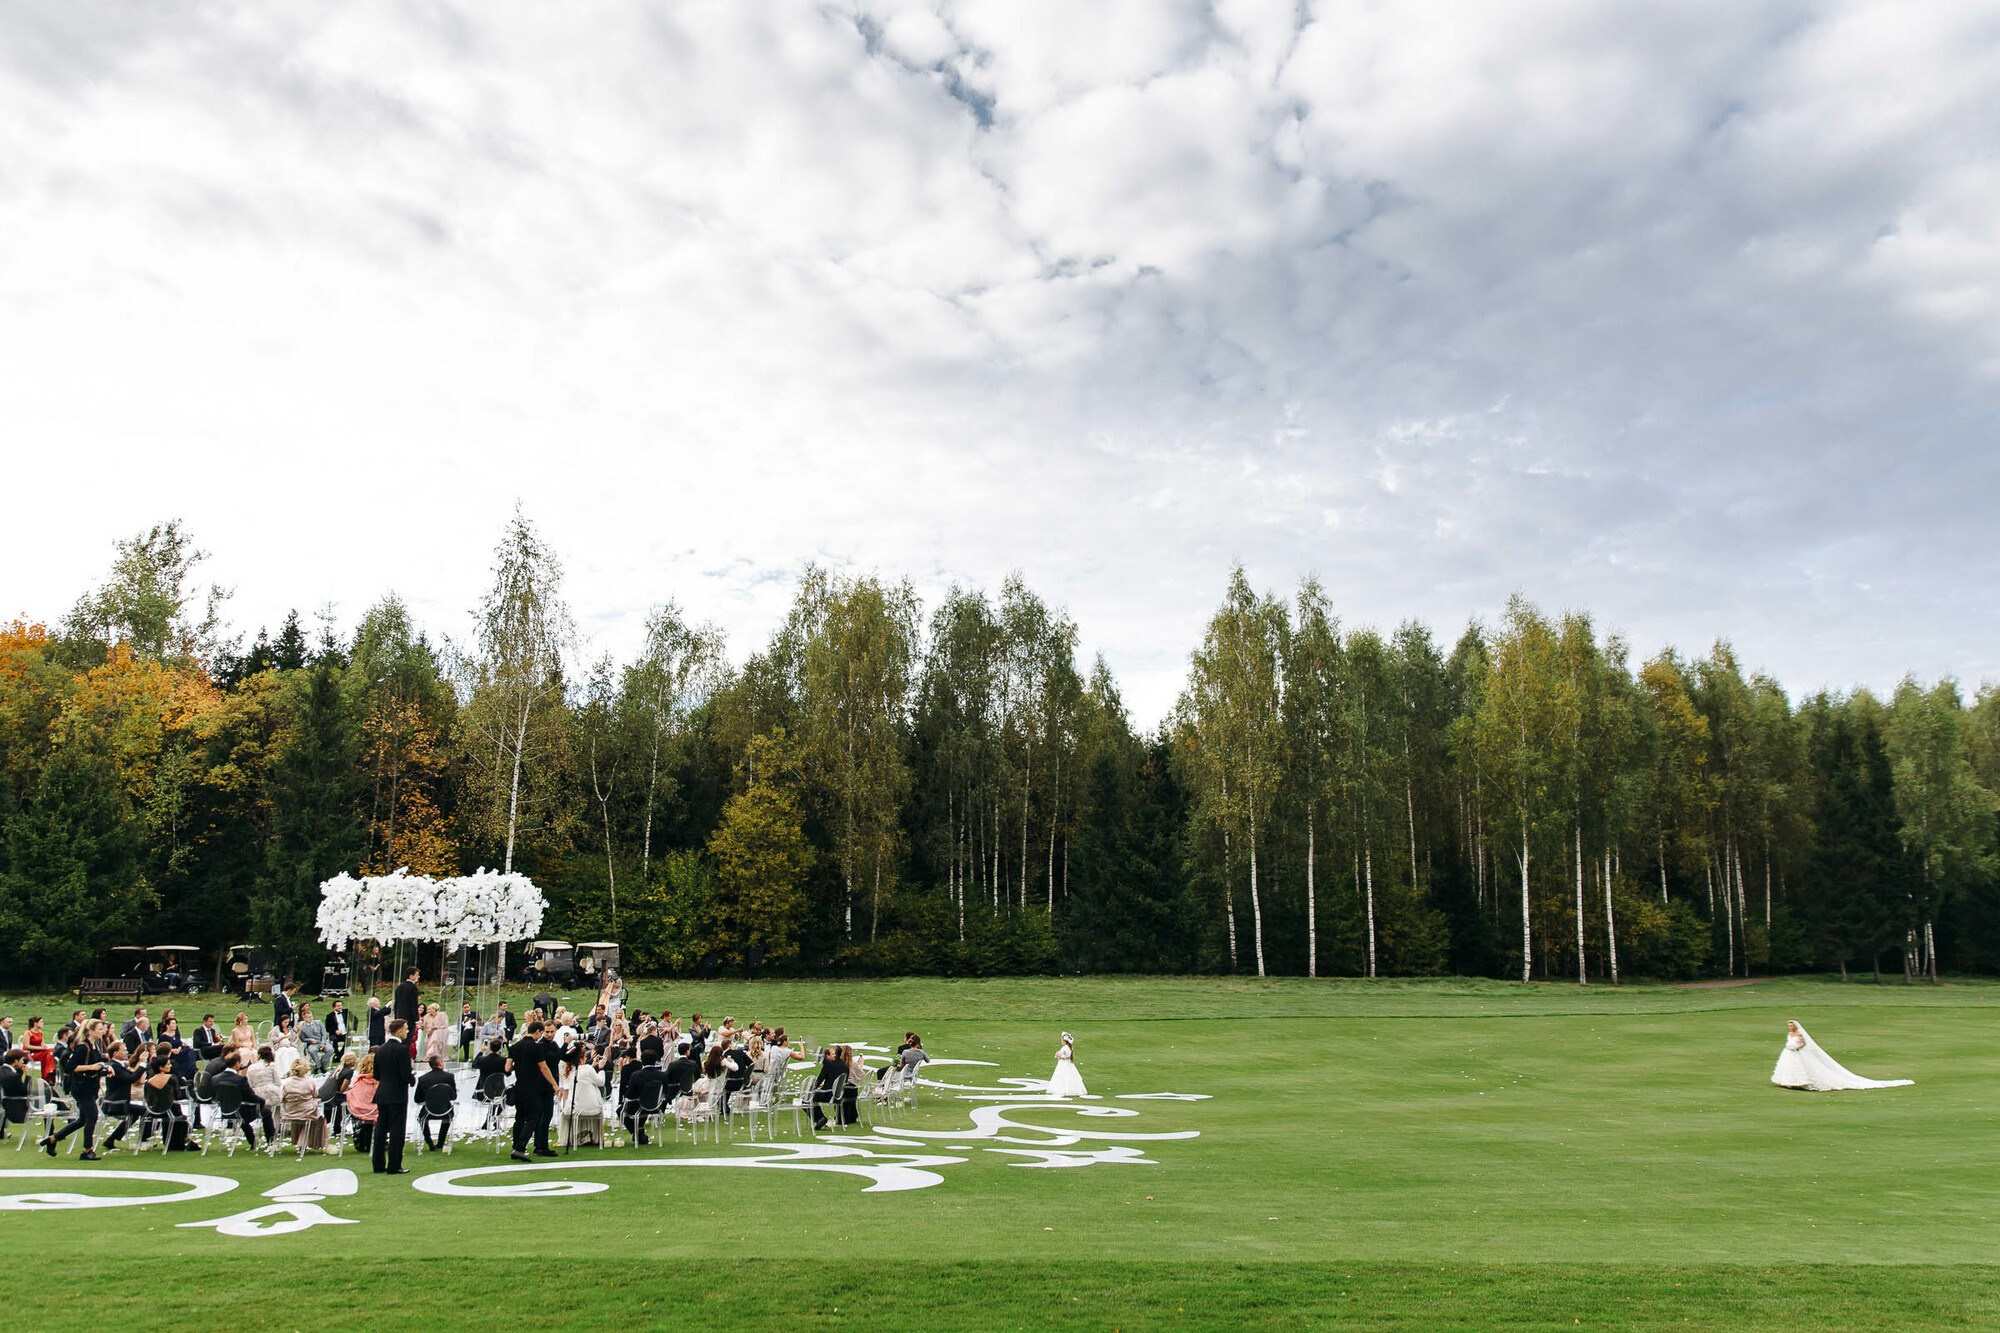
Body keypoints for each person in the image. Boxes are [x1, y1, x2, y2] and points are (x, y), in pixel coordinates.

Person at [1772, 1019, 1914, 1091]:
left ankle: (1797, 1082)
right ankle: (1787, 1082)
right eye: (1788, 1025)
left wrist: (1796, 1047)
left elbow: (1803, 1043)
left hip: (1796, 1052)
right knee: (1788, 1067)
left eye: (1791, 1025)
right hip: (1788, 1053)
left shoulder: (1799, 1034)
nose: (1789, 1027)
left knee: (1800, 1068)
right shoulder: (1790, 1033)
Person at [45, 1025, 108, 1159]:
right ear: (90, 1031)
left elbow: (95, 1065)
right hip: (81, 1087)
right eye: (100, 1029)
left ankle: (53, 1139)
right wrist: (92, 1067)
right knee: (92, 1116)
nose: (103, 1031)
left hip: (91, 1086)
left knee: (82, 1119)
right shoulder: (83, 1047)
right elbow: (70, 1067)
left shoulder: (95, 1046)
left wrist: (105, 1069)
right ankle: (87, 1150)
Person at [509, 1020, 560, 1161]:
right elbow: (544, 1068)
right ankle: (520, 1147)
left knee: (519, 1118)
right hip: (532, 1088)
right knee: (534, 1117)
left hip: (519, 1086)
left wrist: (519, 1066)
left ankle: (516, 1145)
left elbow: (507, 1068)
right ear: (537, 1032)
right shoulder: (536, 1047)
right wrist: (555, 1085)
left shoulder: (515, 1047)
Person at [372, 1018, 414, 1174]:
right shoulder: (402, 1050)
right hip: (397, 1094)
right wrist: (412, 1078)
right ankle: (394, 1165)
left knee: (381, 1129)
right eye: (406, 1028)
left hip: (382, 1092)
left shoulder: (380, 1049)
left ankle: (378, 1164)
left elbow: (376, 1074)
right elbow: (405, 1074)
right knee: (397, 1130)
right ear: (400, 1031)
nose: (408, 1031)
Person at [211, 1052, 267, 1150]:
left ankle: (253, 1142)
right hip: (239, 1111)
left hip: (224, 1111)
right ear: (237, 1063)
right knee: (266, 1112)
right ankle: (270, 1140)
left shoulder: (215, 1079)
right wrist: (262, 1101)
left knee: (241, 1115)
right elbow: (251, 1097)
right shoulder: (240, 1080)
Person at [282, 1057, 331, 1153]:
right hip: (306, 1111)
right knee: (318, 1117)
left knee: (308, 1113)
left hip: (291, 1111)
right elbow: (315, 1095)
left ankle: (299, 1141)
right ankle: (306, 1142)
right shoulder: (309, 1082)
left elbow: (282, 1097)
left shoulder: (286, 1082)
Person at [415, 1054, 457, 1150]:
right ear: (440, 1064)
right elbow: (453, 1096)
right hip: (446, 1111)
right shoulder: (449, 1077)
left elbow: (417, 1099)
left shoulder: (423, 1079)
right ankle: (440, 1142)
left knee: (421, 1118)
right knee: (449, 1114)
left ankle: (429, 1141)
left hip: (428, 1111)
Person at [346, 1053, 380, 1152]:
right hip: (374, 1112)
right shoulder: (378, 1083)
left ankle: (363, 1140)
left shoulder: (358, 1082)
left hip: (358, 1111)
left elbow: (350, 1097)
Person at [1, 1049, 32, 1140]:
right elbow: (26, 1092)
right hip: (17, 1108)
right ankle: (50, 1131)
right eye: (22, 1060)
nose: (23, 1062)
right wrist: (27, 1076)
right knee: (45, 1095)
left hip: (6, 1103)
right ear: (15, 1061)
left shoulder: (3, 1071)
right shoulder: (13, 1076)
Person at [1049, 1031, 1087, 1098]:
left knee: (1062, 1076)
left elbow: (1064, 1056)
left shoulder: (1065, 1048)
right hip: (1068, 1064)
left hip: (1064, 1064)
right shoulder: (1069, 1048)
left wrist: (1058, 1055)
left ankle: (1063, 1090)